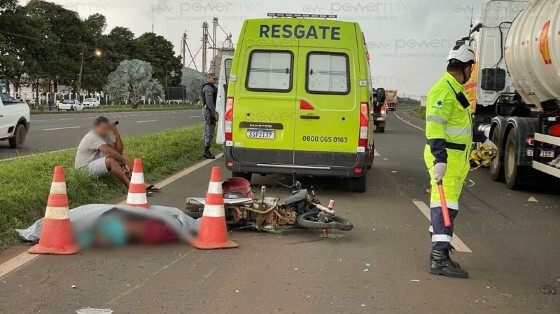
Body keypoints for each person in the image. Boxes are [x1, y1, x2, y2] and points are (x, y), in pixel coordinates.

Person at [424, 44, 497, 278]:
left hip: (454, 158)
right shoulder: (444, 90)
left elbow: (462, 124)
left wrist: (482, 139)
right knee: (444, 206)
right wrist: (440, 159)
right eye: (471, 70)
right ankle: (439, 258)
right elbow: (435, 127)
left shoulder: (456, 89)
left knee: (445, 205)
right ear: (466, 68)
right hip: (447, 157)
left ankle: (440, 249)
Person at [75, 117, 133, 188]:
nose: (105, 131)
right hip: (84, 168)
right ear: (95, 127)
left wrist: (116, 133)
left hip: (96, 165)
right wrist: (124, 162)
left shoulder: (105, 135)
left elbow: (118, 152)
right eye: (103, 129)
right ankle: (130, 186)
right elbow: (108, 151)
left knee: (125, 157)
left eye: (107, 129)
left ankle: (138, 181)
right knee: (111, 160)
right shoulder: (92, 136)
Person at [201, 73, 218, 159]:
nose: (215, 80)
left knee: (208, 130)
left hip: (209, 110)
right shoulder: (208, 88)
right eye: (213, 79)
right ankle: (206, 151)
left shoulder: (211, 87)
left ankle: (207, 149)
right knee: (209, 131)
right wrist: (214, 113)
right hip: (209, 111)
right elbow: (209, 102)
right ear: (208, 78)